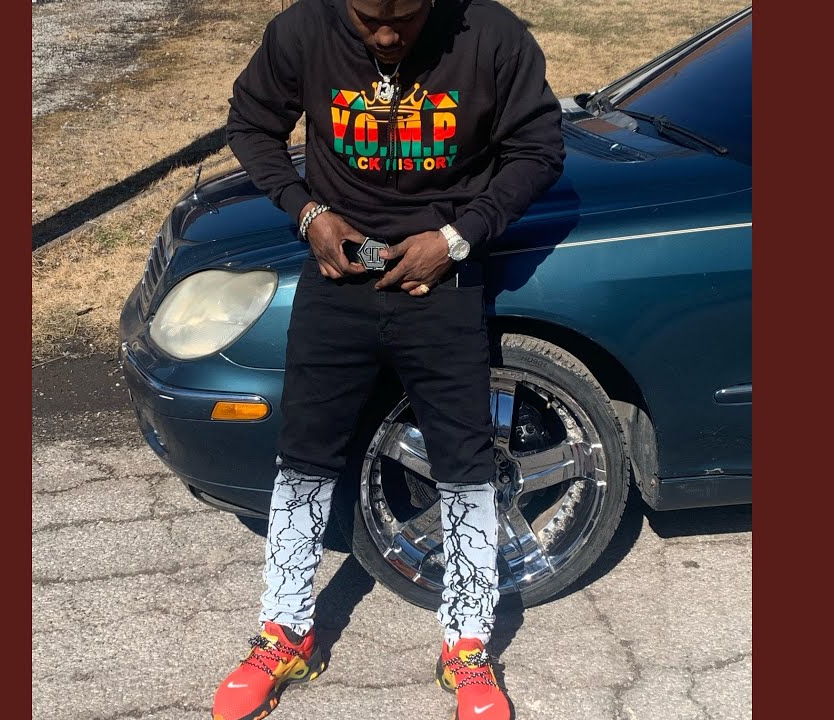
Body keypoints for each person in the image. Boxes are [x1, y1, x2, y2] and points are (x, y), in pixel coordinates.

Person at [212, 1, 564, 719]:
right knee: (304, 458)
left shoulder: (491, 35)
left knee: (466, 464)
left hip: (442, 281)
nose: (385, 34)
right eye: (368, 15)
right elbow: (250, 124)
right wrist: (306, 212)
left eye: (403, 17)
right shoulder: (302, 30)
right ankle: (285, 633)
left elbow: (538, 149)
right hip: (335, 277)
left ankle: (467, 645)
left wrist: (460, 237)